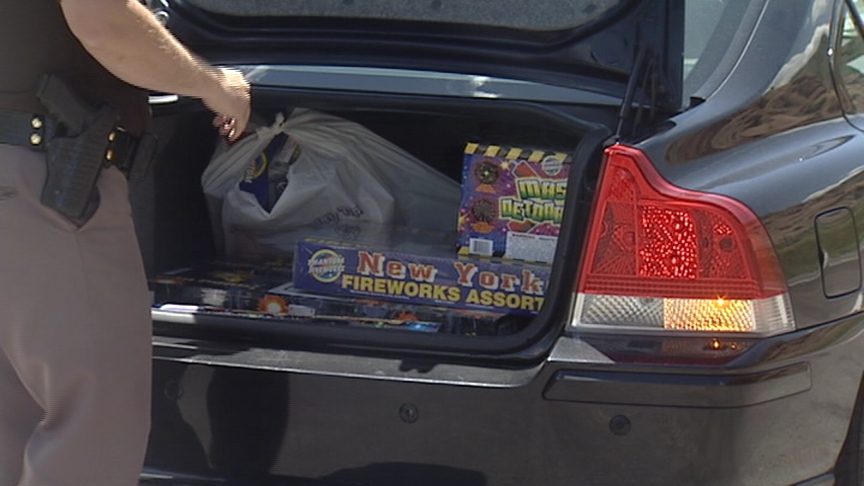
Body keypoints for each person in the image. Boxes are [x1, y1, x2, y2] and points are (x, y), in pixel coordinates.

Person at [0, 1, 251, 485]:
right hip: (48, 183)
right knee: (93, 418)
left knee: (12, 414)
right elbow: (105, 26)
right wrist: (214, 85)